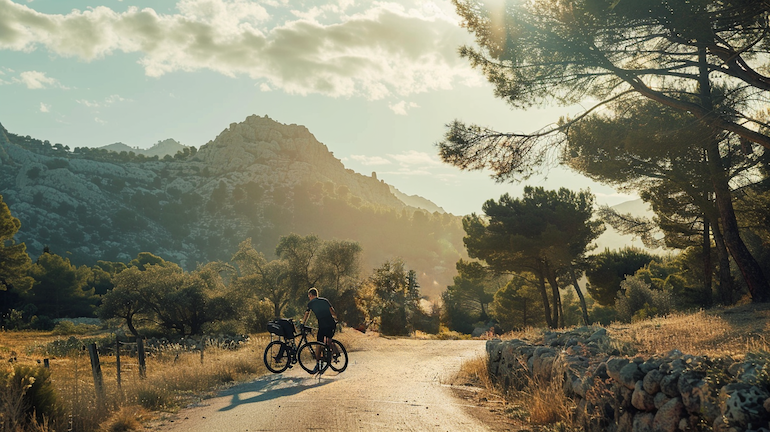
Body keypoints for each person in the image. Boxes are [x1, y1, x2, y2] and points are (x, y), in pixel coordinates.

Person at [302, 288, 338, 372]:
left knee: (319, 343)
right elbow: (332, 311)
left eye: (309, 296)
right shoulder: (325, 300)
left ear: (310, 295)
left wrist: (303, 323)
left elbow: (307, 314)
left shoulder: (310, 303)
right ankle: (334, 353)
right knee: (329, 340)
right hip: (331, 323)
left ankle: (317, 364)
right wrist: (336, 318)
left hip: (322, 325)